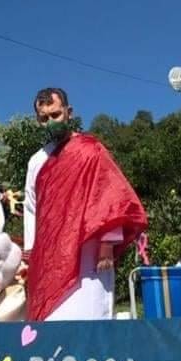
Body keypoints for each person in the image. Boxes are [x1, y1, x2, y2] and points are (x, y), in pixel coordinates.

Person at [23, 87, 147, 321]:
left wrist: (107, 245)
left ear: (69, 112)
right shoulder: (36, 162)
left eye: (56, 115)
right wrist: (30, 257)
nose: (51, 122)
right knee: (52, 325)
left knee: (89, 317)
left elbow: (111, 197)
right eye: (44, 118)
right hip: (49, 259)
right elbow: (32, 210)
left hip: (89, 255)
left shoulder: (90, 151)